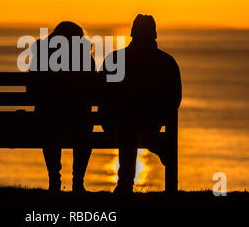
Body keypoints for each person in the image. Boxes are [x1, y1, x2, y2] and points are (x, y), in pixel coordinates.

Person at [99, 14, 182, 194]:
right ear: (154, 35)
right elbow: (175, 99)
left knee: (127, 122)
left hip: (116, 124)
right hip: (149, 124)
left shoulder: (115, 59)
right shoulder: (167, 62)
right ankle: (155, 147)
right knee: (131, 122)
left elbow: (101, 94)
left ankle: (125, 183)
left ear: (132, 34)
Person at [28, 21, 96, 193]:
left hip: (48, 120)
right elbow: (95, 92)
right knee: (85, 128)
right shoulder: (85, 58)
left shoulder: (42, 56)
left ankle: (54, 180)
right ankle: (78, 182)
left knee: (49, 125)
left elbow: (31, 91)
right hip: (79, 122)